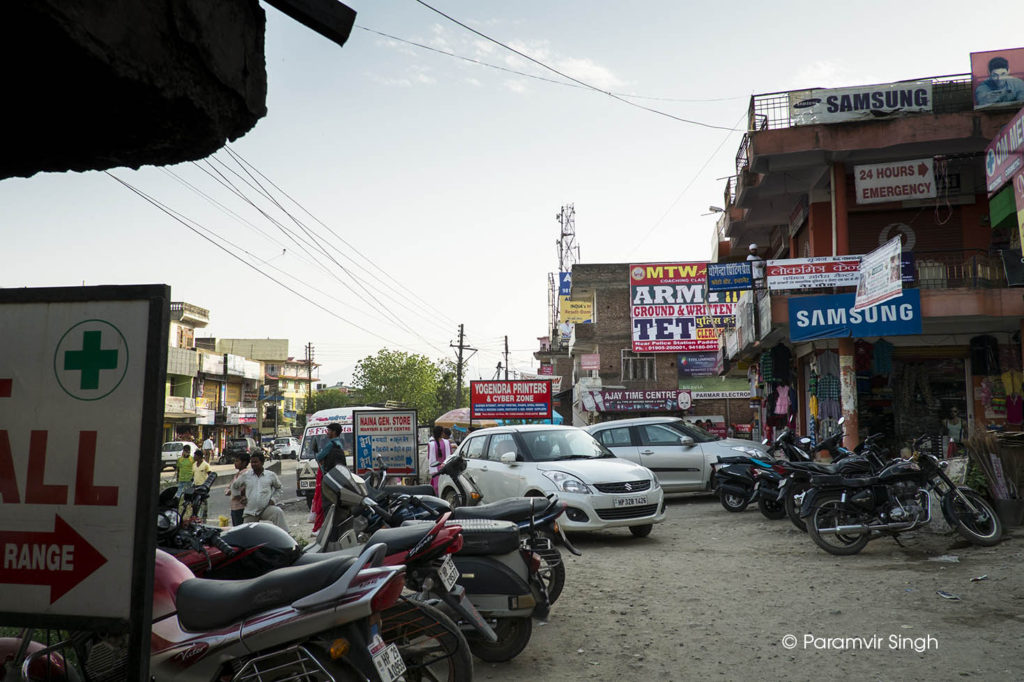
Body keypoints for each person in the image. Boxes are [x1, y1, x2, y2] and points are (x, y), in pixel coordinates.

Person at [231, 451, 288, 532]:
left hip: (266, 508)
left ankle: (286, 537)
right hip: (251, 510)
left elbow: (279, 488)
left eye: (255, 462)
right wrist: (240, 497)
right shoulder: (246, 475)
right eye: (252, 462)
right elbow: (234, 486)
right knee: (246, 533)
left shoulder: (270, 475)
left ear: (262, 462)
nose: (253, 464)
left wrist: (273, 499)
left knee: (278, 512)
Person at [225, 453, 249, 526]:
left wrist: (234, 492)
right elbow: (228, 489)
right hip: (234, 506)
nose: (235, 463)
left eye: (237, 461)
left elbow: (241, 490)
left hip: (241, 507)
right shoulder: (237, 474)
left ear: (244, 463)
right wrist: (231, 491)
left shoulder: (246, 474)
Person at [427, 425, 451, 494]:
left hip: (435, 470)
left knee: (436, 487)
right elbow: (451, 455)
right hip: (446, 468)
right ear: (442, 433)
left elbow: (429, 457)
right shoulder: (447, 443)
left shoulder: (430, 444)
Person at [190, 450, 212, 522]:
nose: (194, 457)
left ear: (199, 456)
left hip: (203, 487)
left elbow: (210, 475)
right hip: (195, 486)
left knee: (203, 502)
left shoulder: (206, 465)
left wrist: (207, 486)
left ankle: (204, 518)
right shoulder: (194, 464)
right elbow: (193, 475)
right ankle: (195, 517)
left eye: (195, 455)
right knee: (195, 503)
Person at [175, 444, 194, 514]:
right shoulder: (180, 459)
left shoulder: (192, 459)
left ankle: (188, 505)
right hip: (181, 479)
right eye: (184, 451)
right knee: (178, 493)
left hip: (189, 479)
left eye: (187, 451)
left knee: (188, 493)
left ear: (189, 451)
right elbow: (178, 469)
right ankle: (177, 505)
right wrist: (177, 478)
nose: (185, 452)